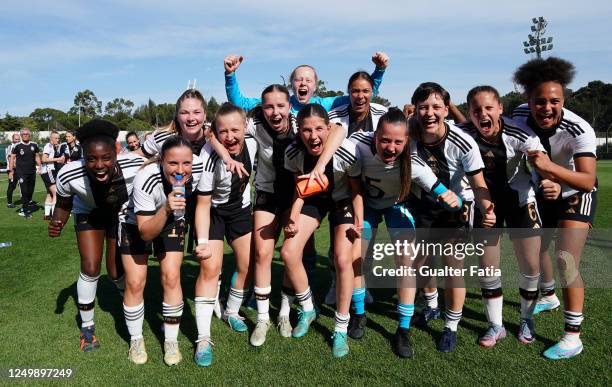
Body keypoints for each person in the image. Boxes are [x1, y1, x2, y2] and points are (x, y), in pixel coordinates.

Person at [349, 108, 461, 358]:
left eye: (398, 141)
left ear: (407, 141)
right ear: (374, 135)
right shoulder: (357, 144)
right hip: (365, 207)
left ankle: (403, 328)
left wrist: (452, 197)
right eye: (385, 139)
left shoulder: (415, 164)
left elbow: (442, 191)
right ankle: (358, 314)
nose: (390, 147)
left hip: (396, 207)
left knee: (405, 263)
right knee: (355, 257)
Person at [512, 57, 597, 360]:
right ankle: (548, 296)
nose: (546, 107)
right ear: (528, 100)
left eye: (554, 101)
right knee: (537, 251)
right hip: (543, 191)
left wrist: (551, 171)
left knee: (566, 261)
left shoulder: (578, 128)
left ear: (563, 100)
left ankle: (573, 337)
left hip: (576, 192)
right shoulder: (519, 115)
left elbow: (588, 179)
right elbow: (486, 122)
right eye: (539, 101)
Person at [408, 82, 495, 353]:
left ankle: (451, 327)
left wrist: (486, 208)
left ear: (447, 109)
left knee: (452, 266)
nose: (429, 113)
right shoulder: (408, 135)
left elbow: (478, 183)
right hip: (422, 206)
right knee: (421, 263)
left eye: (436, 107)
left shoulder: (462, 142)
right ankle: (432, 306)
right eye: (423, 107)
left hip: (456, 209)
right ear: (415, 110)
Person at [457, 85, 545, 348]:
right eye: (476, 110)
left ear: (500, 109)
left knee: (530, 265)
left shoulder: (520, 132)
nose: (482, 114)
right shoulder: (463, 135)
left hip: (519, 201)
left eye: (488, 108)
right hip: (485, 205)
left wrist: (546, 182)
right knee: (488, 266)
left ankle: (526, 319)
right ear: (469, 113)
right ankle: (496, 325)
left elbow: (540, 164)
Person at [49, 119, 144, 352]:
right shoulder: (69, 174)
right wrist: (57, 219)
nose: (99, 165)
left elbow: (165, 166)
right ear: (83, 156)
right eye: (91, 159)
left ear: (117, 152)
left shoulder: (136, 164)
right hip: (88, 214)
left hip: (118, 215)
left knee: (114, 272)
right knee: (90, 266)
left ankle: (129, 306)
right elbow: (63, 203)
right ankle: (87, 328)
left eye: (106, 158)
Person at [282, 103, 362, 357]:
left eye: (319, 129)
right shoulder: (294, 152)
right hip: (313, 201)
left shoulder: (346, 151)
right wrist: (293, 218)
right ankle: (307, 308)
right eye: (306, 130)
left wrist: (359, 220)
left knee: (342, 259)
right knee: (288, 251)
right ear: (298, 131)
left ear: (329, 129)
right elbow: (300, 189)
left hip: (342, 202)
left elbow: (356, 190)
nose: (313, 136)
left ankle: (340, 327)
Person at [120, 136, 203, 365]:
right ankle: (136, 339)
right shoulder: (146, 178)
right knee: (135, 282)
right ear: (161, 161)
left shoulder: (196, 168)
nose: (180, 169)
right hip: (136, 222)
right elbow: (146, 232)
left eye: (185, 163)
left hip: (172, 218)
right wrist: (166, 207)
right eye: (173, 164)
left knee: (172, 277)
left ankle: (171, 341)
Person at [192, 103, 257, 366]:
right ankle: (203, 338)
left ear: (245, 127)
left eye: (235, 130)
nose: (229, 136)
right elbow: (203, 204)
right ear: (214, 132)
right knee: (209, 269)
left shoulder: (253, 141)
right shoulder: (208, 157)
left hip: (241, 211)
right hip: (214, 213)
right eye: (223, 131)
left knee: (249, 263)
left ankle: (231, 310)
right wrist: (203, 242)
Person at [324, 71, 388, 305]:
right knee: (336, 241)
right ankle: (335, 283)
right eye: (355, 91)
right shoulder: (335, 116)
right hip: (341, 188)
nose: (360, 96)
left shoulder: (383, 115)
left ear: (372, 92)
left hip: (370, 188)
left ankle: (362, 284)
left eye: (365, 91)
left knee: (364, 240)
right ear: (348, 92)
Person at [223, 52, 389, 115]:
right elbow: (239, 104)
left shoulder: (327, 104)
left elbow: (362, 95)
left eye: (308, 80)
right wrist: (230, 74)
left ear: (315, 86)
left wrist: (379, 71)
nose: (303, 83)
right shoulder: (279, 105)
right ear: (291, 85)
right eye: (298, 79)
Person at [10, 128, 41, 217]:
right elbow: (12, 158)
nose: (25, 135)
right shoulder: (17, 146)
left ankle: (26, 206)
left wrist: (39, 166)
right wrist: (11, 171)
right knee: (24, 191)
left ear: (29, 135)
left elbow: (37, 156)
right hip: (21, 172)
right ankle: (25, 210)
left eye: (27, 134)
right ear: (21, 135)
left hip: (32, 172)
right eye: (24, 134)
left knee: (30, 192)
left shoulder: (34, 145)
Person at [41, 131, 64, 220]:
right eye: (56, 138)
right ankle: (55, 215)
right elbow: (44, 159)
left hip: (48, 171)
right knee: (56, 192)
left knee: (50, 193)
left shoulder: (53, 146)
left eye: (58, 138)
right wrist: (58, 159)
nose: (57, 140)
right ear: (51, 138)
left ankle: (47, 215)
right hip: (48, 171)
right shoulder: (48, 146)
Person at [5, 133, 20, 208]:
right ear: (12, 139)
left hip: (19, 169)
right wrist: (12, 170)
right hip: (12, 170)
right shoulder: (10, 147)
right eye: (16, 139)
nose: (17, 140)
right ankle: (9, 203)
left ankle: (27, 200)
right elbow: (10, 158)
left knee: (22, 184)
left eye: (18, 139)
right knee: (12, 186)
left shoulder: (19, 147)